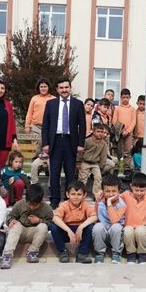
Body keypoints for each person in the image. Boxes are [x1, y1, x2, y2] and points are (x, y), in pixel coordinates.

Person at [41, 77, 86, 207]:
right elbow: (45, 125)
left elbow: (82, 126)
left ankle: (69, 200)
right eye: (61, 88)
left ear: (70, 88)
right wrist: (45, 143)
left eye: (66, 87)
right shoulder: (51, 104)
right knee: (54, 172)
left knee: (70, 173)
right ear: (57, 89)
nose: (64, 90)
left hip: (71, 142)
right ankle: (55, 200)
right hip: (55, 141)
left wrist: (80, 144)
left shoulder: (78, 104)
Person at [1, 183, 53, 267]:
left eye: (35, 205)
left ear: (41, 201)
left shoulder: (47, 209)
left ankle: (32, 252)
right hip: (19, 233)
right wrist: (11, 220)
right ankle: (7, 255)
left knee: (43, 226)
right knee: (15, 225)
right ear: (26, 199)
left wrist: (39, 221)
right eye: (29, 204)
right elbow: (10, 216)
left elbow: (51, 224)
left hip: (35, 235)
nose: (32, 207)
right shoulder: (20, 204)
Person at [49, 181, 98, 263]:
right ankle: (63, 252)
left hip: (80, 234)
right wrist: (68, 231)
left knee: (90, 227)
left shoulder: (85, 204)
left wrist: (81, 227)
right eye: (73, 194)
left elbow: (94, 216)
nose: (76, 197)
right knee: (53, 226)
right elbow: (55, 218)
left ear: (84, 195)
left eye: (79, 194)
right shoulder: (64, 204)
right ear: (67, 194)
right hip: (67, 232)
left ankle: (82, 254)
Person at [121, 172, 146, 264]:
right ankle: (131, 253)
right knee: (127, 231)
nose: (139, 193)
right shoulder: (126, 195)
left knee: (141, 231)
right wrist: (100, 193)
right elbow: (113, 196)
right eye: (136, 190)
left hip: (142, 226)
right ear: (131, 186)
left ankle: (142, 253)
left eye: (142, 190)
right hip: (128, 225)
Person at [92, 174, 126, 264]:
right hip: (104, 229)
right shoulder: (99, 200)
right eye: (107, 191)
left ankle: (116, 253)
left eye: (114, 191)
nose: (111, 194)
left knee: (116, 227)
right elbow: (95, 214)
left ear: (119, 191)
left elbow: (114, 220)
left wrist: (109, 202)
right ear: (102, 191)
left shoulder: (122, 204)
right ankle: (99, 252)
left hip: (116, 232)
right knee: (97, 227)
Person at [78, 123, 109, 195]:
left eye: (102, 132)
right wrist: (78, 161)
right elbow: (81, 152)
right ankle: (80, 192)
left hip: (95, 164)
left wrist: (101, 166)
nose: (100, 133)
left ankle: (96, 194)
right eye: (98, 131)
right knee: (82, 178)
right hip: (85, 162)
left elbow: (103, 156)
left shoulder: (103, 144)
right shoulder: (87, 141)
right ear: (93, 132)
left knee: (98, 178)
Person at [112, 88, 136, 174]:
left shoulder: (132, 109)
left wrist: (128, 131)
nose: (125, 99)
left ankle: (127, 169)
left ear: (130, 97)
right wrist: (121, 130)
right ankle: (120, 169)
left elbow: (133, 121)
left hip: (129, 134)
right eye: (123, 97)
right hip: (119, 134)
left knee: (127, 152)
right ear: (121, 97)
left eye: (127, 97)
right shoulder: (117, 108)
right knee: (119, 152)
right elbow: (114, 121)